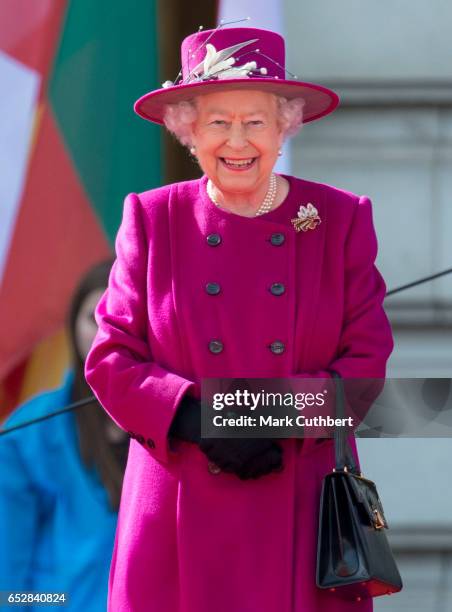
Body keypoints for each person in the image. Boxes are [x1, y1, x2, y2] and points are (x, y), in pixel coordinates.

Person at [84, 24, 394, 612]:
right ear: (189, 132)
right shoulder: (153, 218)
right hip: (177, 506)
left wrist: (263, 421)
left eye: (256, 120)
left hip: (300, 506)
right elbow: (111, 358)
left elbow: (365, 363)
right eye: (217, 121)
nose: (238, 139)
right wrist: (201, 421)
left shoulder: (338, 218)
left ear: (284, 128)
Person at [0, 260, 128, 611]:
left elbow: (292, 409)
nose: (108, 332)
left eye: (124, 316)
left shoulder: (189, 407)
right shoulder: (24, 435)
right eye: (94, 318)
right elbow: (7, 583)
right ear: (72, 324)